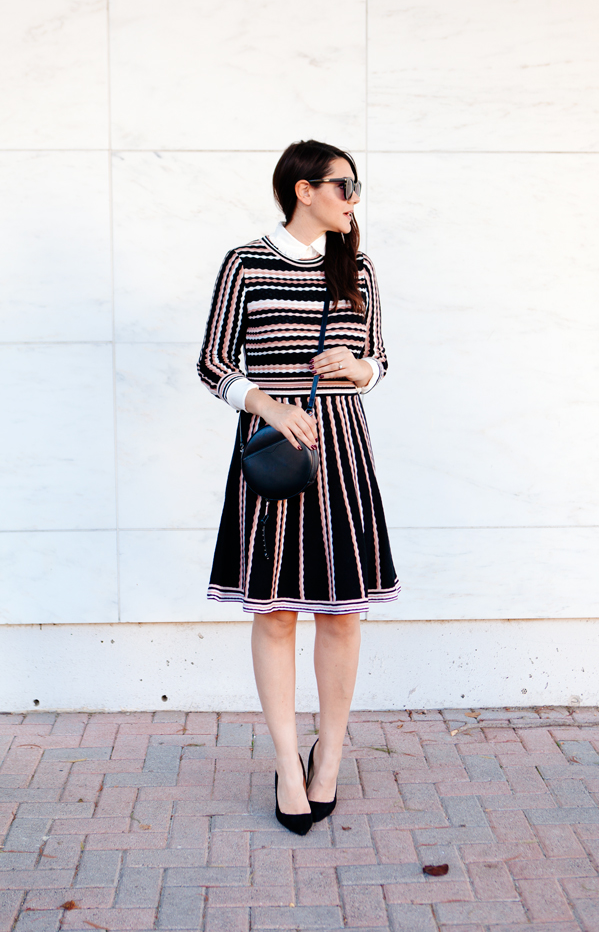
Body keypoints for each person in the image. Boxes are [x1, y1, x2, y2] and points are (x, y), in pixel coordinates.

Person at [198, 139, 399, 834]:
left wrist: (359, 367)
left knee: (341, 614)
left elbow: (379, 361)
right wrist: (269, 405)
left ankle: (329, 757)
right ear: (303, 190)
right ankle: (287, 763)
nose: (354, 198)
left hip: (341, 451)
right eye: (345, 185)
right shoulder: (245, 263)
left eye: (356, 186)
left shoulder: (358, 269)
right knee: (277, 613)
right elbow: (213, 363)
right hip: (276, 454)